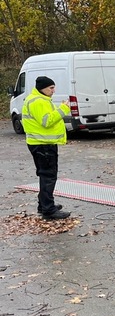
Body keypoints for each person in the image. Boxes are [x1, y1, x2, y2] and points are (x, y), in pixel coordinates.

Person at [22, 76, 71, 220]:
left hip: (41, 144)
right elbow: (47, 121)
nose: (53, 91)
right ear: (42, 88)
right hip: (42, 145)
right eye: (51, 88)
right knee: (48, 176)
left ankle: (44, 205)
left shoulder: (38, 99)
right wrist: (63, 109)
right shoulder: (38, 101)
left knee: (45, 175)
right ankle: (48, 210)